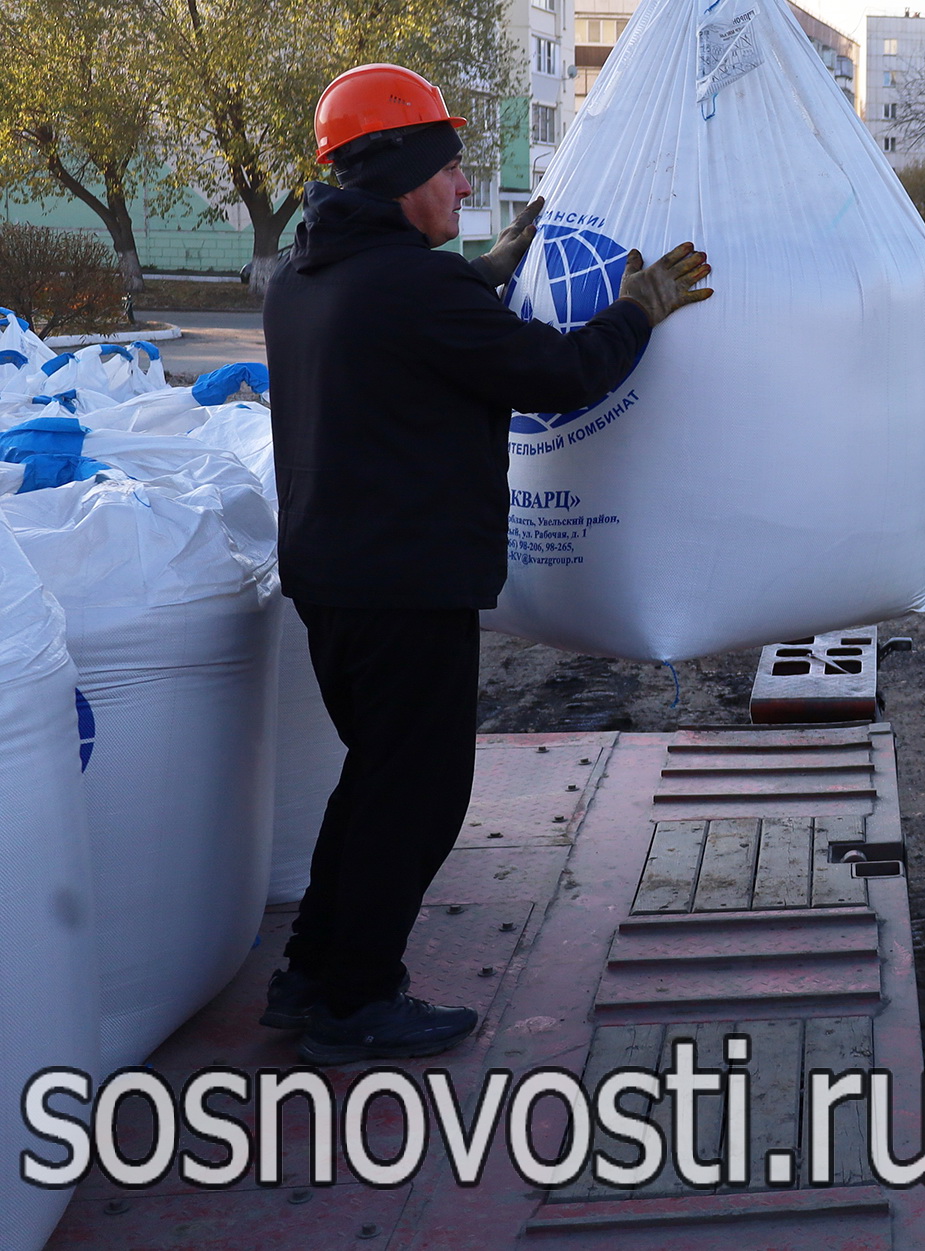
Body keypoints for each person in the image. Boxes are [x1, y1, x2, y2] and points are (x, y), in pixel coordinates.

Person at [261, 63, 715, 1066]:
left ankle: (308, 974)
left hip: (332, 577)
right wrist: (638, 306)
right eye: (454, 168)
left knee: (374, 778)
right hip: (406, 584)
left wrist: (485, 271)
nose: (467, 189)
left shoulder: (301, 274)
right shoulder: (418, 287)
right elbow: (558, 374)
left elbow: (395, 320)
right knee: (418, 796)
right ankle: (355, 998)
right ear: (408, 172)